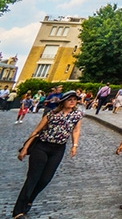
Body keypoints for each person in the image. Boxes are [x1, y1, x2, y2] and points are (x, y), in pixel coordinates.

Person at [13, 90, 82, 219]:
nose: (73, 101)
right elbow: (36, 131)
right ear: (63, 101)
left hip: (58, 149)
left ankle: (30, 199)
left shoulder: (77, 115)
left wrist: (74, 145)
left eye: (75, 99)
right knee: (33, 177)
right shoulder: (52, 114)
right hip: (42, 146)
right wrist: (25, 148)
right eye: (70, 99)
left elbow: (76, 130)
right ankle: (18, 211)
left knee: (45, 179)